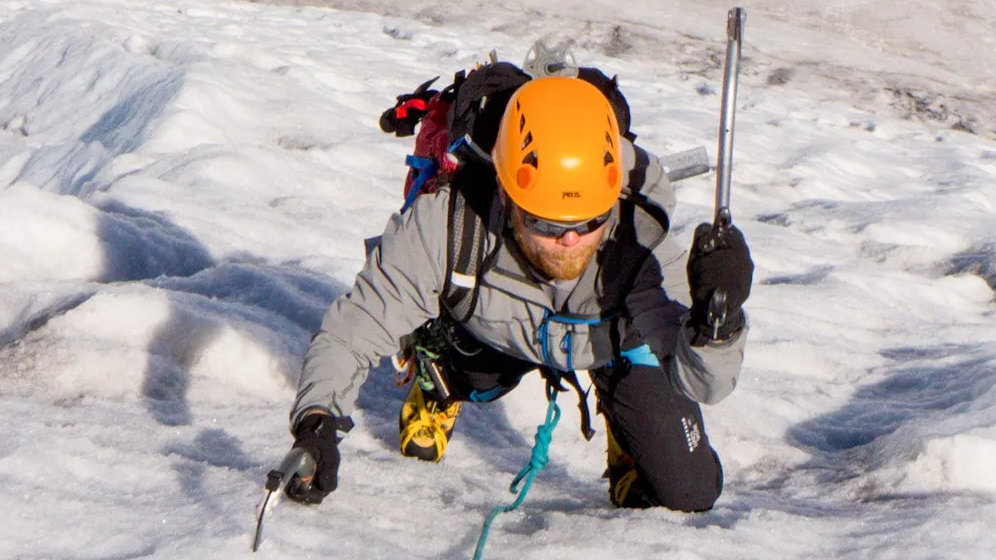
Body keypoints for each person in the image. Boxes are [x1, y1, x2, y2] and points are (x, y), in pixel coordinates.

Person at [272, 71, 752, 514]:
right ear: (506, 194)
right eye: (545, 222)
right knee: (473, 366)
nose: (570, 239)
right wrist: (317, 423)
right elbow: (355, 329)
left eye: (590, 221)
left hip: (611, 345)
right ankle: (439, 375)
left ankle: (624, 428)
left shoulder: (639, 243)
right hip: (491, 332)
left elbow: (705, 382)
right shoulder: (447, 224)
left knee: (689, 491)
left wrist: (718, 324)